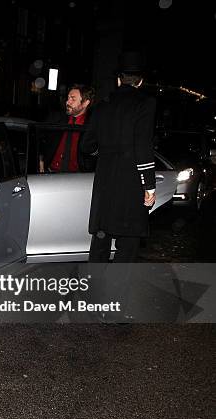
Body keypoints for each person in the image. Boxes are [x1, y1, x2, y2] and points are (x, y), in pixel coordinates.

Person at [80, 51, 157, 263]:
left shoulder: (102, 106)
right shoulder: (145, 103)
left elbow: (86, 146)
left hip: (105, 183)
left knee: (100, 241)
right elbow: (143, 146)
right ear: (140, 81)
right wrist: (149, 186)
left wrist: (103, 154)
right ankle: (118, 292)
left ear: (118, 79)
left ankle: (94, 290)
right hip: (130, 184)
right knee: (128, 244)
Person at [43, 84, 95, 173]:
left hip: (77, 178)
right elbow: (42, 139)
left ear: (86, 102)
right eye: (68, 98)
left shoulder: (92, 125)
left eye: (73, 99)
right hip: (50, 173)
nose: (67, 102)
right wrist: (41, 159)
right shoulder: (56, 118)